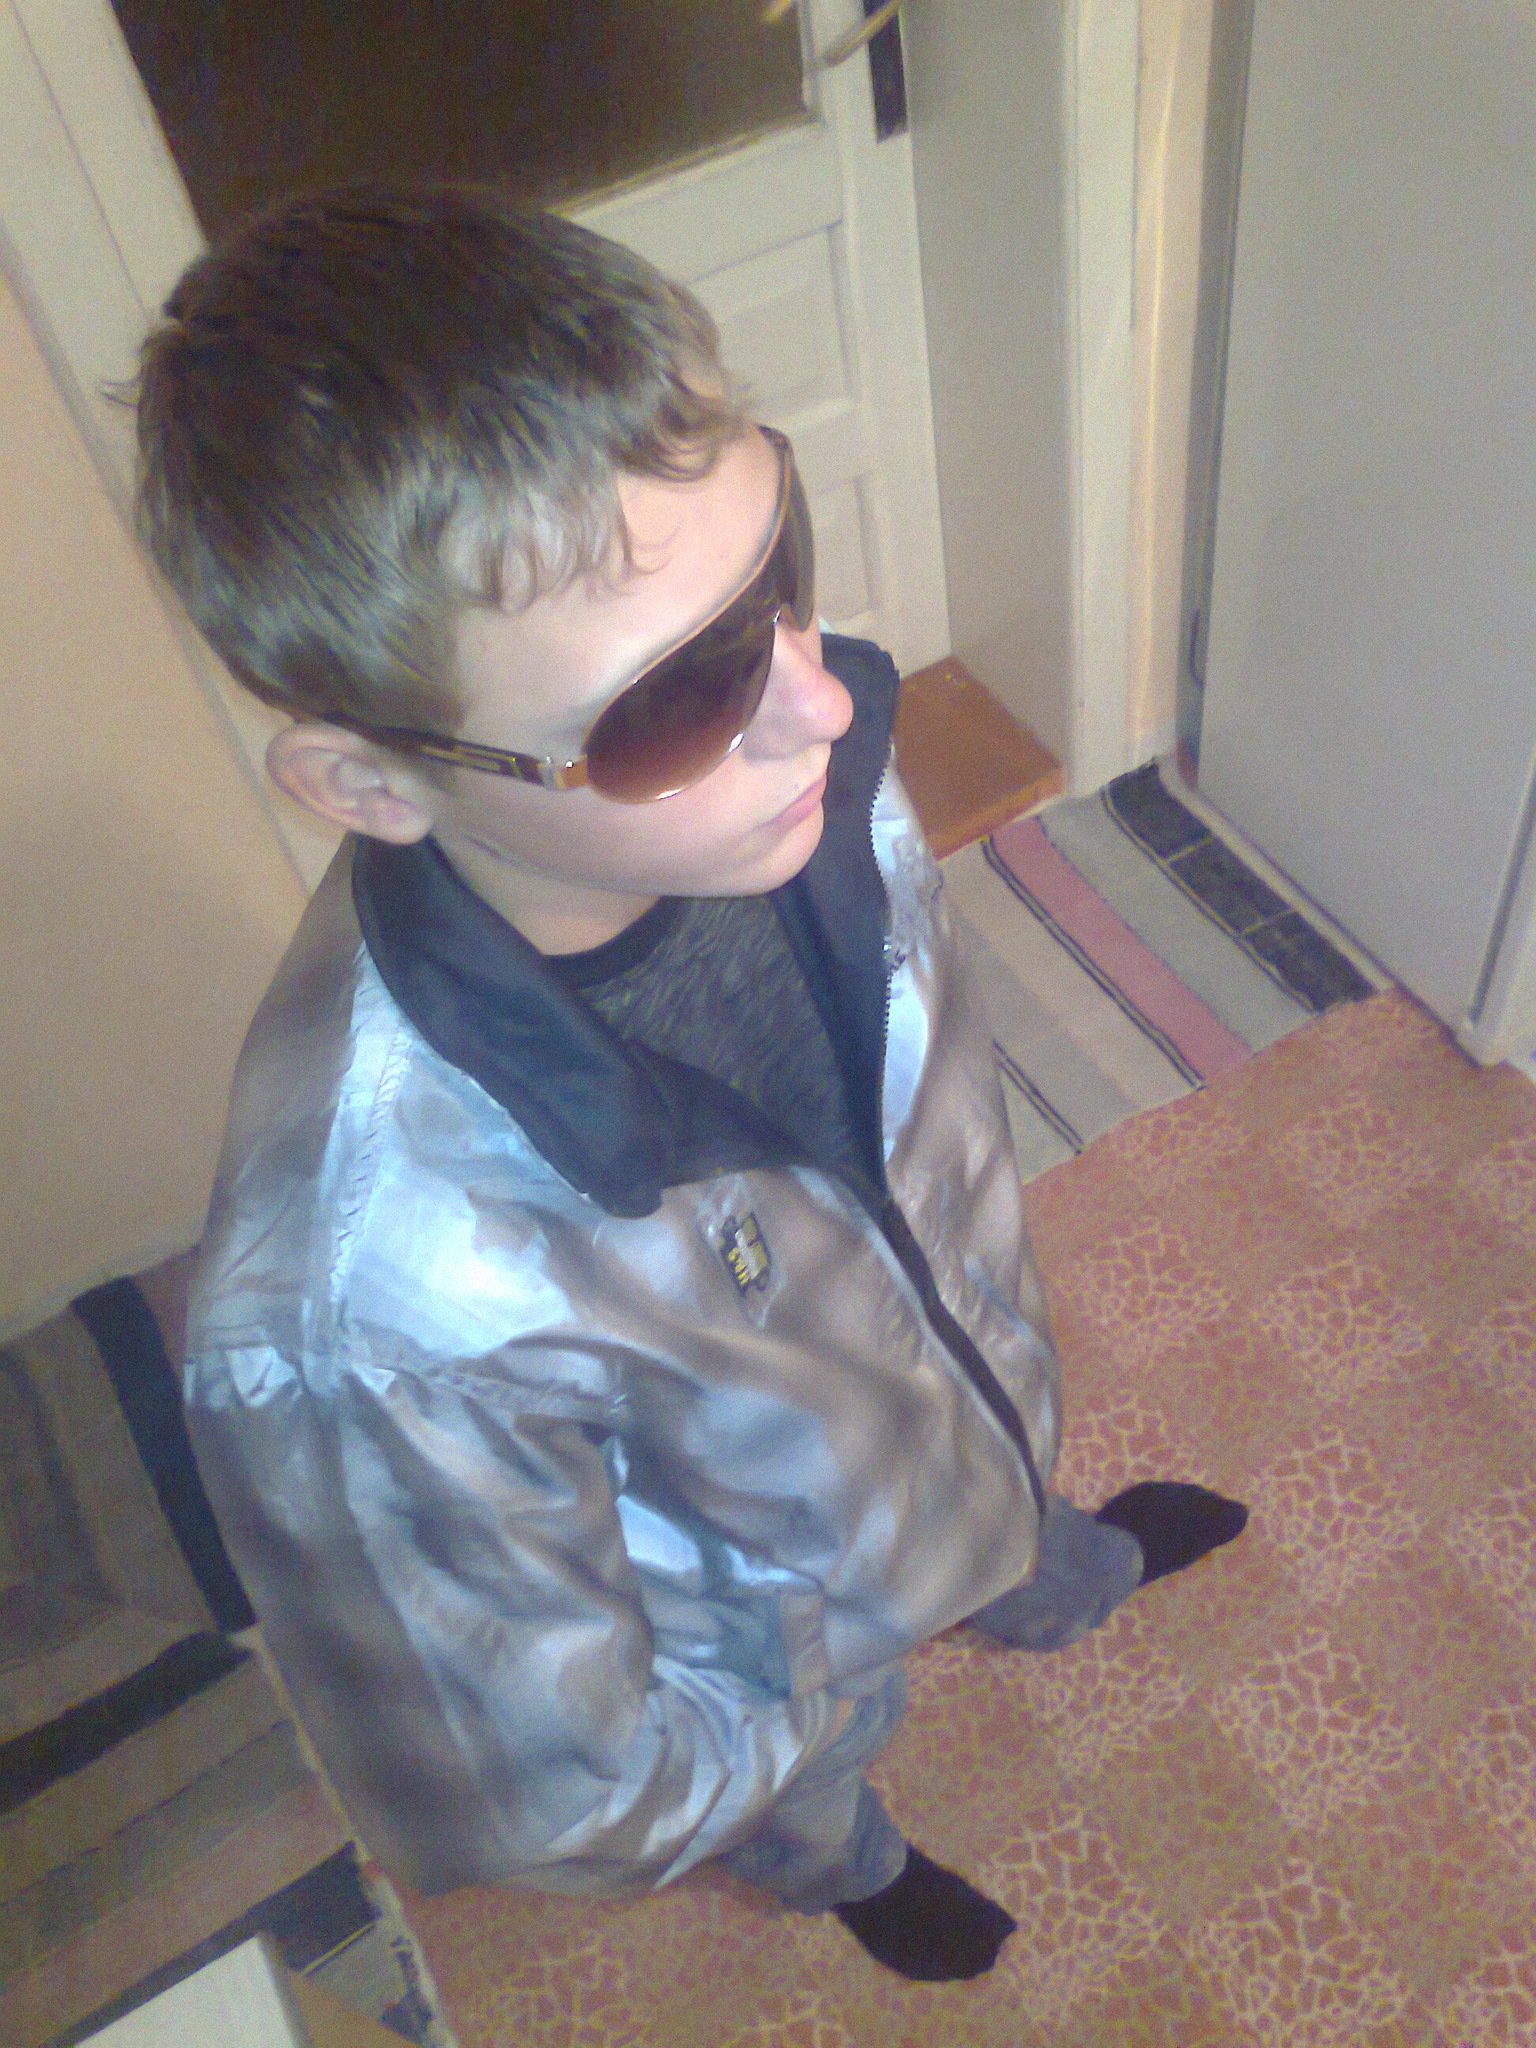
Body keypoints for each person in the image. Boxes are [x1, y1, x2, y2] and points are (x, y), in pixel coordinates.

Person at [135, 185, 1245, 1985]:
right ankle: (840, 1860)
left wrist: (982, 1456)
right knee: (816, 1767)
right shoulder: (375, 1315)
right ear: (375, 784)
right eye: (672, 700)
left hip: (949, 1411)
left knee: (983, 1483)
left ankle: (1036, 1563)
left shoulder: (797, 786)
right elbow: (556, 1787)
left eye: (776, 566)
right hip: (772, 1643)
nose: (822, 699)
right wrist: (799, 1708)